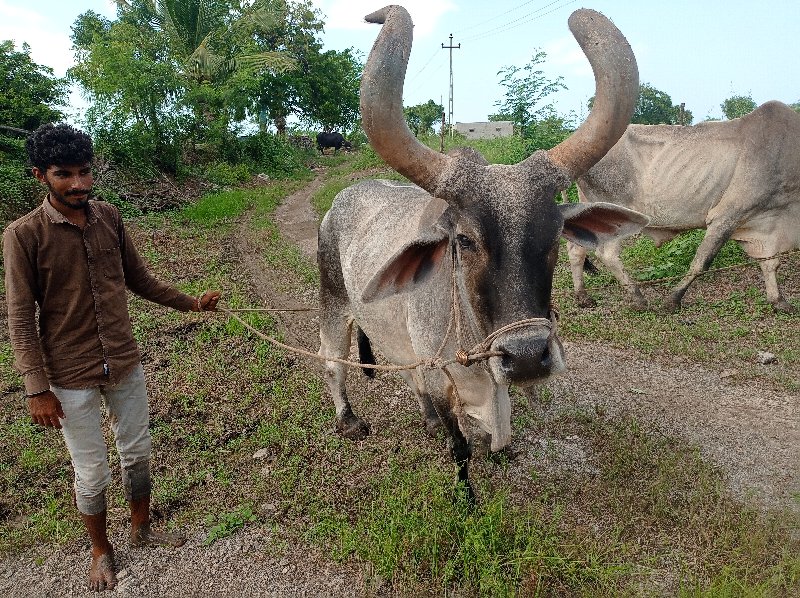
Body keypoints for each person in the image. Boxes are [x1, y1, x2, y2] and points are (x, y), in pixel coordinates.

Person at [2, 123, 221, 591]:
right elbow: (20, 318)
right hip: (68, 373)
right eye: (65, 174)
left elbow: (139, 279)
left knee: (137, 450)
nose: (79, 184)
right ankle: (101, 550)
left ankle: (143, 529)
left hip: (123, 360)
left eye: (84, 172)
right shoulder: (23, 235)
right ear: (40, 174)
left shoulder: (109, 217)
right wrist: (36, 388)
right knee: (91, 468)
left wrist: (192, 303)